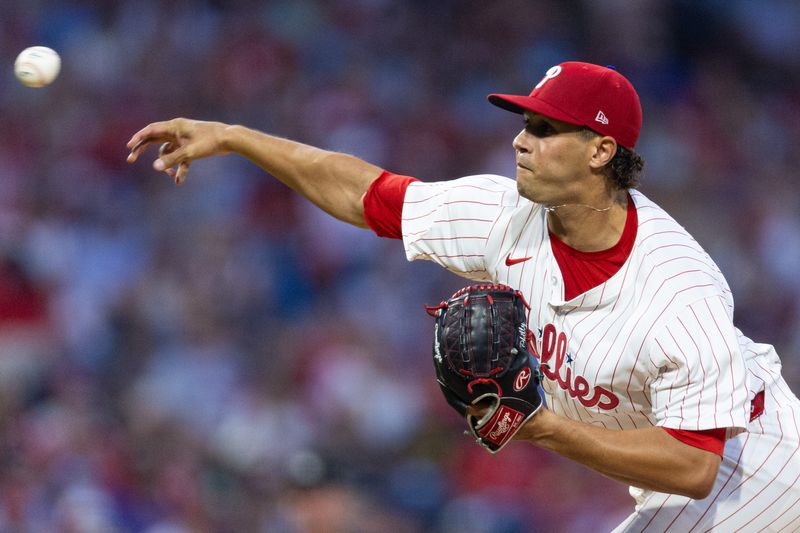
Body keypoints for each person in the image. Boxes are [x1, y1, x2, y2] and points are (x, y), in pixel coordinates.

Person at [127, 61, 800, 531]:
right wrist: (240, 138)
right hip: (679, 473)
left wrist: (541, 426)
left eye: (543, 129)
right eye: (523, 123)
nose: (520, 140)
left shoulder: (677, 287)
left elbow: (693, 463)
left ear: (600, 150)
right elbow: (367, 194)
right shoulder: (507, 214)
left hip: (759, 464)